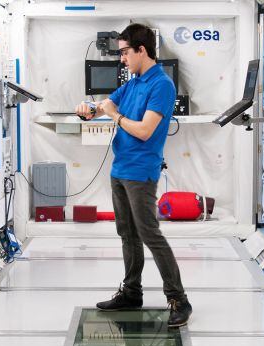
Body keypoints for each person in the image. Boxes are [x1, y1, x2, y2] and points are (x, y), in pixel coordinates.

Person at [75, 23, 192, 327]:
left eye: (125, 52)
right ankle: (131, 291)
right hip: (120, 169)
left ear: (142, 50)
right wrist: (90, 109)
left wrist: (113, 115)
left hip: (141, 172)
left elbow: (144, 130)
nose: (122, 59)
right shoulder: (134, 81)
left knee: (150, 235)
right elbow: (107, 103)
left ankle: (179, 299)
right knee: (127, 235)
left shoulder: (161, 85)